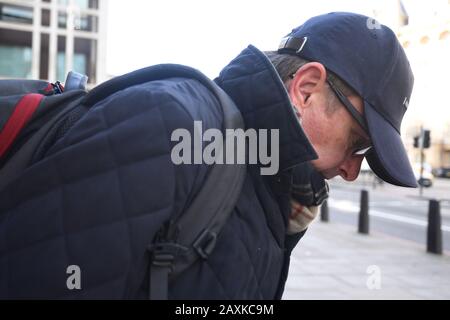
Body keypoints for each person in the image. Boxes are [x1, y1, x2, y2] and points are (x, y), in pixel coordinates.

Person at [0, 12, 415, 299]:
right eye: (357, 143)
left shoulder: (269, 186)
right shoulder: (174, 125)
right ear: (305, 89)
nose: (350, 169)